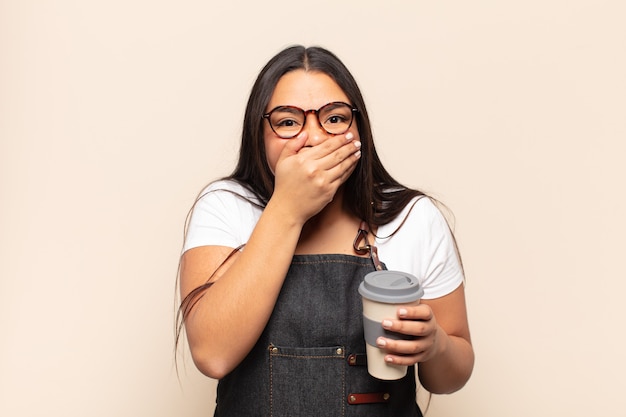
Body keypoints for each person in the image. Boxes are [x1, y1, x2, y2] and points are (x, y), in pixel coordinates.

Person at [176, 45, 474, 416]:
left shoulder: (413, 217)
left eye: (334, 119)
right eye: (287, 122)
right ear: (259, 135)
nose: (315, 138)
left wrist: (437, 347)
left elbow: (451, 376)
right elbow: (212, 354)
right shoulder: (225, 206)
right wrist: (287, 208)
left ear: (358, 129)